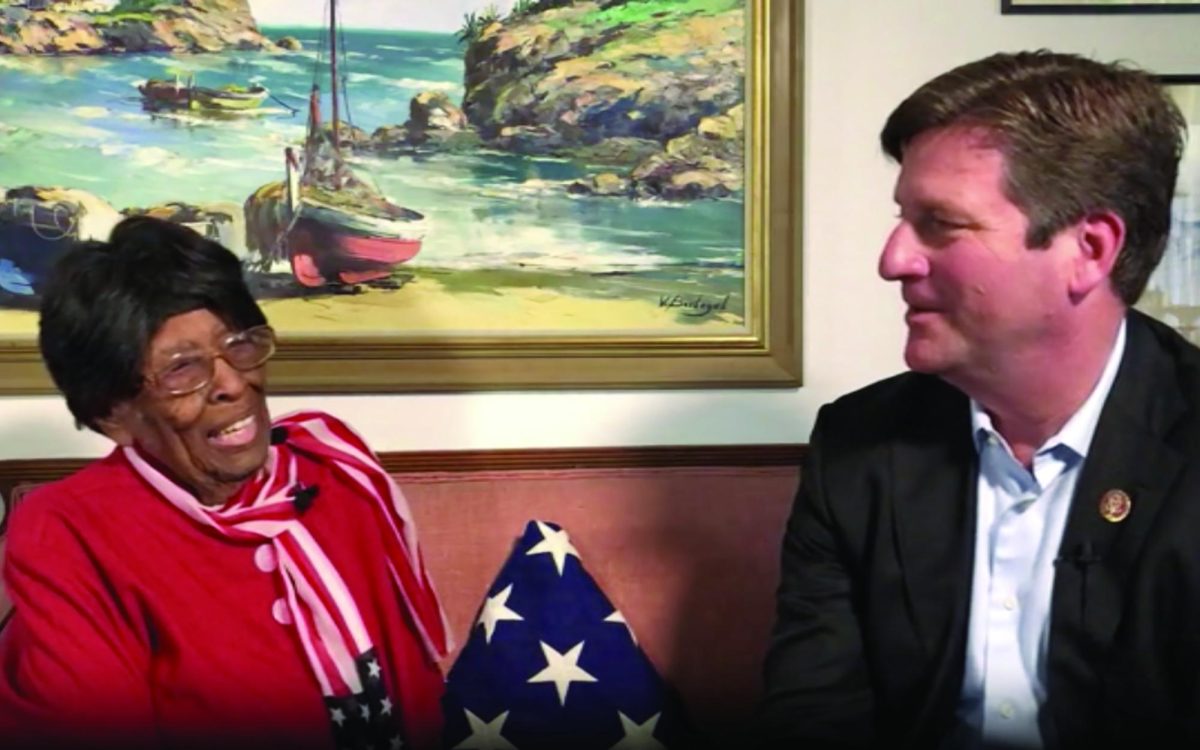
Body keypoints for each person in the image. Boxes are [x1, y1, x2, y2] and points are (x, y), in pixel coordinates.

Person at [758, 50, 1199, 749]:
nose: (893, 259)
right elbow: (814, 717)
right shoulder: (858, 447)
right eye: (903, 218)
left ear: (1089, 248)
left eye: (941, 223)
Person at [0, 217, 450, 749]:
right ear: (113, 412)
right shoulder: (70, 532)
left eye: (238, 344)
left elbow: (416, 696)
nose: (234, 384)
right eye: (182, 369)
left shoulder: (334, 470)